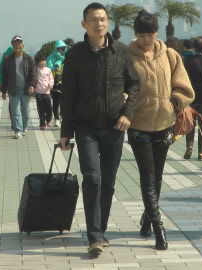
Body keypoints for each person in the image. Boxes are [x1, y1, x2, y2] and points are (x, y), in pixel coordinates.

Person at [59, 2, 139, 255]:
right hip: (86, 129)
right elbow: (68, 95)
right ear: (84, 24)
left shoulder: (121, 51)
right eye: (94, 19)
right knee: (92, 178)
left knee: (108, 183)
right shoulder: (75, 55)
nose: (99, 23)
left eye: (103, 19)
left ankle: (101, 231)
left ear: (108, 23)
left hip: (115, 127)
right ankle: (94, 236)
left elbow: (134, 85)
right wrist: (65, 132)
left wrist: (128, 114)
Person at [128, 9, 194, 250]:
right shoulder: (128, 56)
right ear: (135, 34)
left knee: (157, 177)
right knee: (147, 177)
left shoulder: (170, 55)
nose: (146, 39)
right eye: (141, 35)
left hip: (165, 123)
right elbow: (121, 87)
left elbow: (184, 86)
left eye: (150, 34)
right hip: (138, 125)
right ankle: (159, 228)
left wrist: (174, 102)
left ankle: (146, 220)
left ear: (157, 33)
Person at [0, 35, 38, 139]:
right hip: (13, 90)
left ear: (23, 45)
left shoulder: (29, 59)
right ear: (12, 46)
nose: (17, 45)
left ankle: (24, 127)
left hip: (26, 90)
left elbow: (34, 74)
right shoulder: (8, 60)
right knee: (15, 111)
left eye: (19, 43)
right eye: (15, 43)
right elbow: (5, 77)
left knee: (25, 112)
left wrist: (32, 85)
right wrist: (3, 91)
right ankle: (18, 130)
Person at [46, 40, 67, 127]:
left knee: (64, 102)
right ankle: (56, 118)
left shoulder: (67, 57)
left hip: (65, 82)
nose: (60, 51)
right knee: (55, 102)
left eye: (62, 49)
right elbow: (49, 68)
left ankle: (62, 116)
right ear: (56, 49)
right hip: (54, 82)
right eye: (59, 49)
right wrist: (57, 64)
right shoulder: (51, 57)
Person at [34, 53, 54, 130]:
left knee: (49, 108)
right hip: (38, 92)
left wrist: (51, 84)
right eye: (41, 61)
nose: (43, 62)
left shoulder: (48, 70)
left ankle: (48, 120)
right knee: (40, 109)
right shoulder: (35, 70)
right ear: (37, 62)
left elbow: (51, 79)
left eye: (44, 61)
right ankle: (42, 124)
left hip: (47, 92)